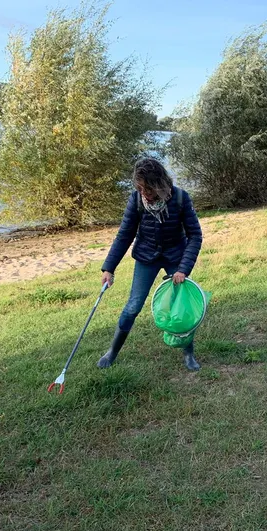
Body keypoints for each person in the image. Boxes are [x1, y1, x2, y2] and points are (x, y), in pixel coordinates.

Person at [98, 157, 203, 371]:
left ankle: (188, 354)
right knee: (132, 307)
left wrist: (183, 269)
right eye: (140, 188)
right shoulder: (136, 200)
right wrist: (109, 267)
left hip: (176, 256)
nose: (144, 192)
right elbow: (125, 235)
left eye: (148, 188)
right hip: (146, 256)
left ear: (160, 183)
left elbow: (195, 236)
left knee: (182, 306)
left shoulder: (181, 198)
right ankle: (112, 352)